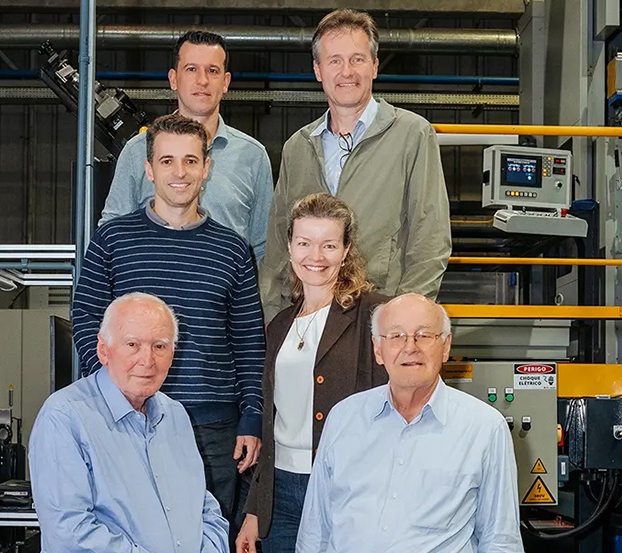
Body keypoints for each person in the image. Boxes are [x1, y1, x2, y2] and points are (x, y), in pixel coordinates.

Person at [72, 114, 266, 523]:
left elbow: (249, 339)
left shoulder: (233, 250)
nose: (180, 173)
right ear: (148, 169)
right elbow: (87, 316)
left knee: (210, 536)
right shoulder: (112, 241)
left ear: (206, 168)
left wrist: (251, 415)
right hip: (131, 420)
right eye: (167, 161)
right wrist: (113, 386)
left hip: (213, 428)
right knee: (134, 533)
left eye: (191, 161)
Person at [259, 8, 452, 319]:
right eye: (334, 60)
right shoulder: (298, 146)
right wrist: (275, 319)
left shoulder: (412, 135)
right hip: (308, 318)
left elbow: (430, 241)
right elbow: (279, 245)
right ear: (318, 70)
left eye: (357, 59)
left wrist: (402, 322)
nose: (346, 71)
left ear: (374, 66)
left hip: (378, 316)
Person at [295, 293, 523, 553]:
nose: (410, 347)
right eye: (396, 336)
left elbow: (501, 540)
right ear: (378, 349)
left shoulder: (484, 428)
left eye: (424, 335)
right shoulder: (343, 418)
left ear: (446, 346)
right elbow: (315, 532)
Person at [236, 193, 389, 553]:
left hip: (348, 489)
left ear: (347, 249)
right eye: (304, 243)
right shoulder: (278, 326)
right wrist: (256, 509)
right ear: (289, 247)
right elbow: (274, 427)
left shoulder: (375, 314)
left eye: (329, 245)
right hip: (281, 493)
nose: (316, 257)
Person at [30, 293, 230, 553]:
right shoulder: (64, 417)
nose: (147, 360)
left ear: (173, 354)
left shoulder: (176, 416)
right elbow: (69, 532)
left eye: (159, 346)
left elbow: (204, 506)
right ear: (103, 350)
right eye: (133, 344)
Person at [100, 30, 274, 263]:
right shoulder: (137, 150)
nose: (202, 80)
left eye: (212, 71)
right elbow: (110, 236)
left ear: (226, 82)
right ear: (173, 79)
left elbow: (265, 248)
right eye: (191, 69)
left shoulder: (253, 156)